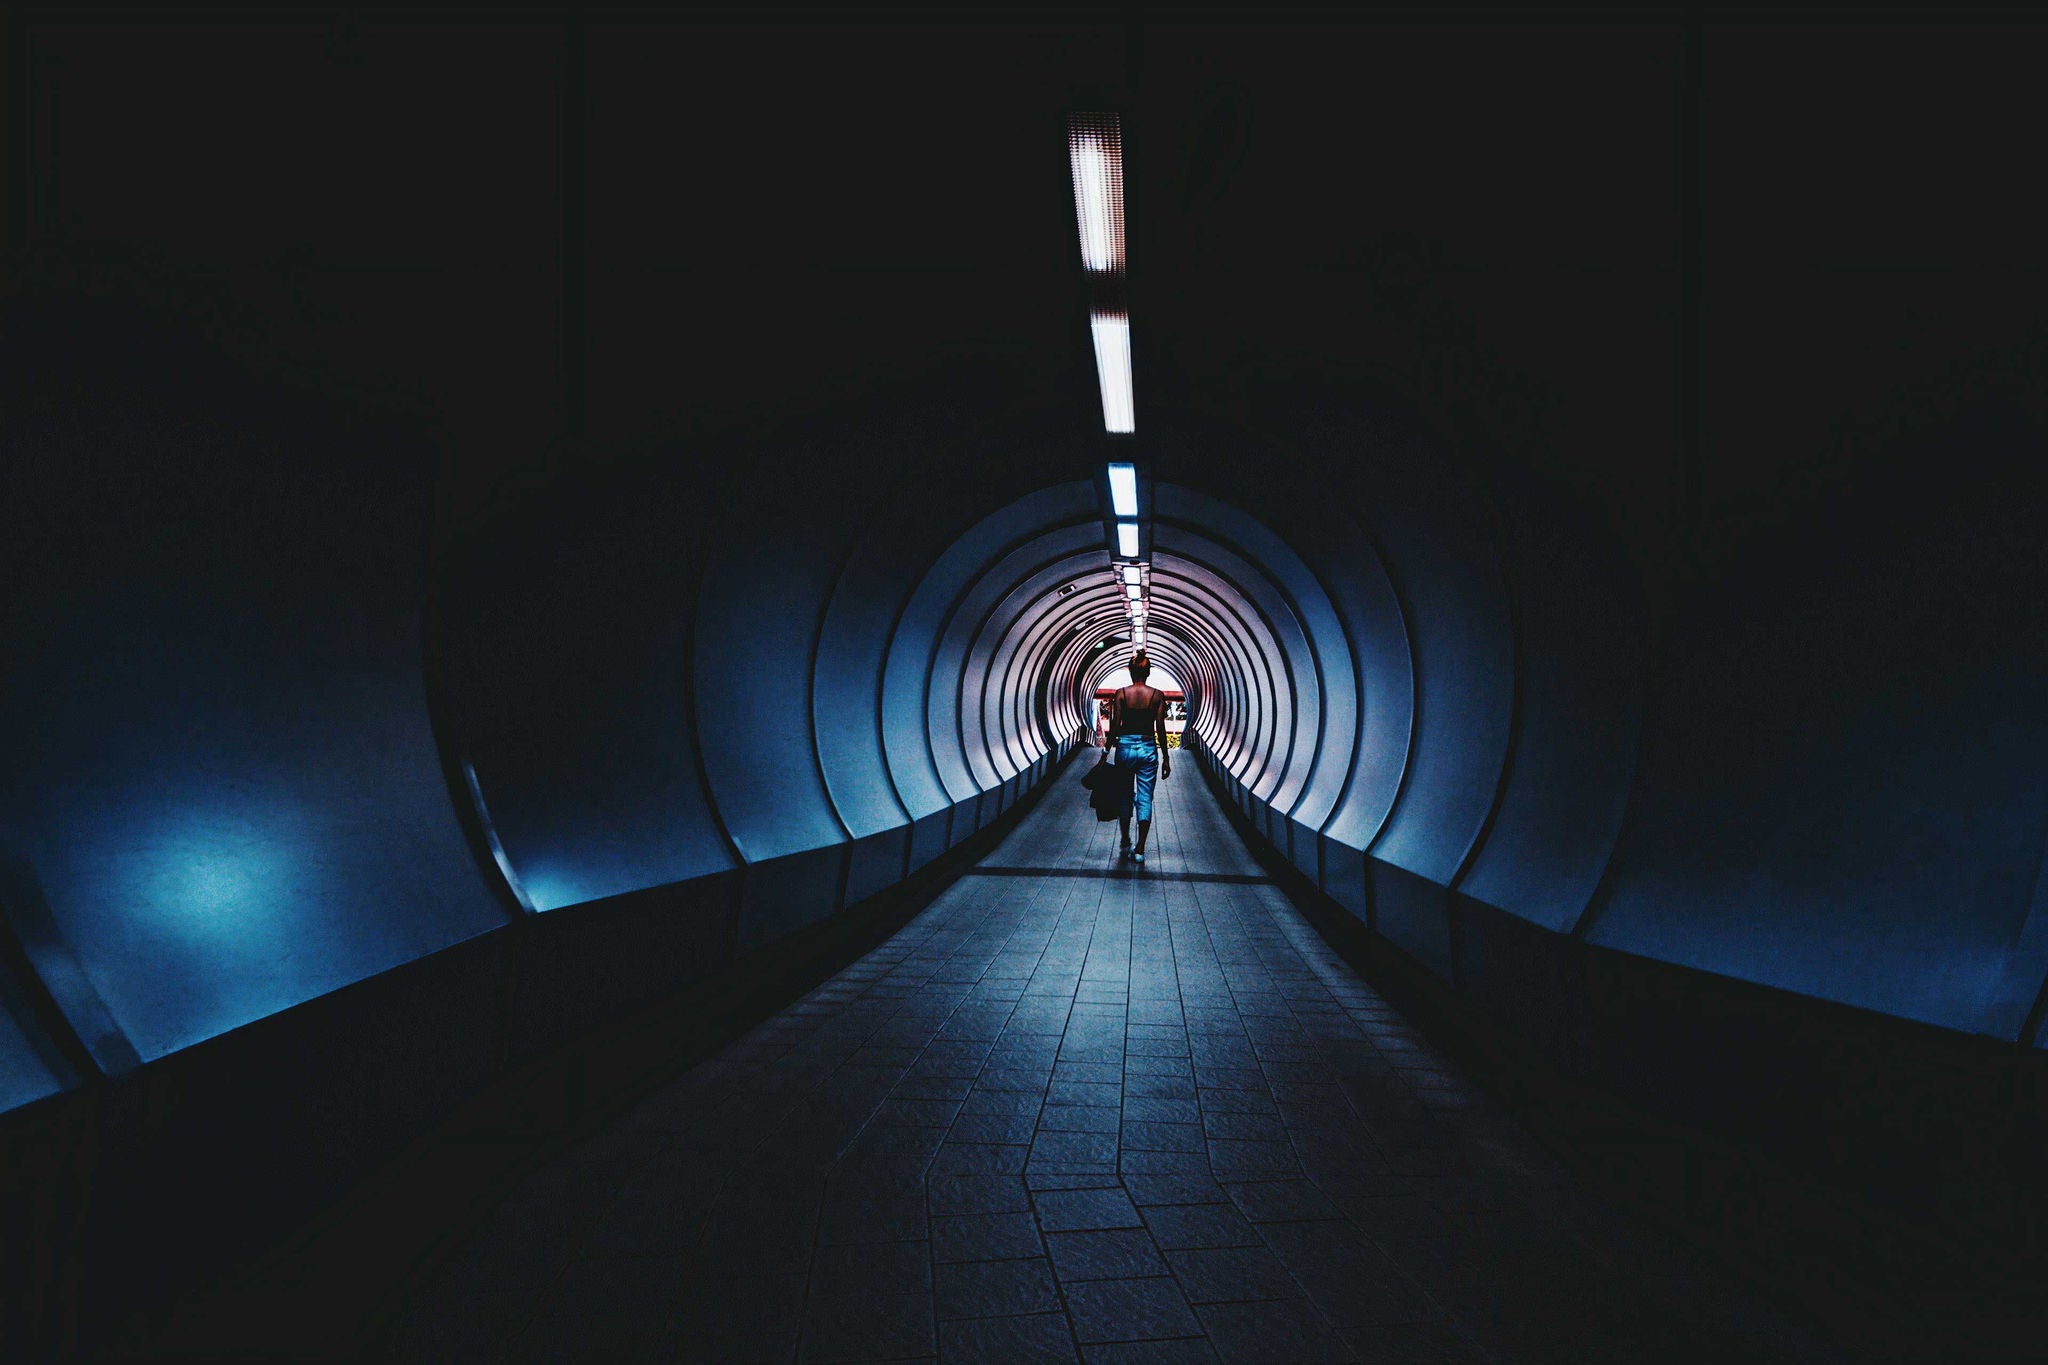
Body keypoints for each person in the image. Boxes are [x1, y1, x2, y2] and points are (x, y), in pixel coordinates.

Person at [1106, 651, 1171, 862]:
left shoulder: (1121, 693)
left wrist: (1106, 750)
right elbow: (1160, 727)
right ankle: (1140, 848)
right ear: (1148, 672)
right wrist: (1166, 756)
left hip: (1124, 747)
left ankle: (1125, 839)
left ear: (1131, 671)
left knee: (1124, 794)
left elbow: (1115, 725)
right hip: (1147, 746)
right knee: (1145, 798)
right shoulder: (1157, 695)